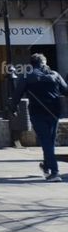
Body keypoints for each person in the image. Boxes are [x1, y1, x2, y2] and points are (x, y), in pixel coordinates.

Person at [11, 53, 68, 181]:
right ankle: (46, 167)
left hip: (37, 112)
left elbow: (17, 94)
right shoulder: (55, 75)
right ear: (45, 62)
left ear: (32, 64)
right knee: (50, 141)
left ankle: (54, 172)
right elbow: (65, 90)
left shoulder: (27, 76)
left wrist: (13, 108)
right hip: (54, 112)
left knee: (46, 141)